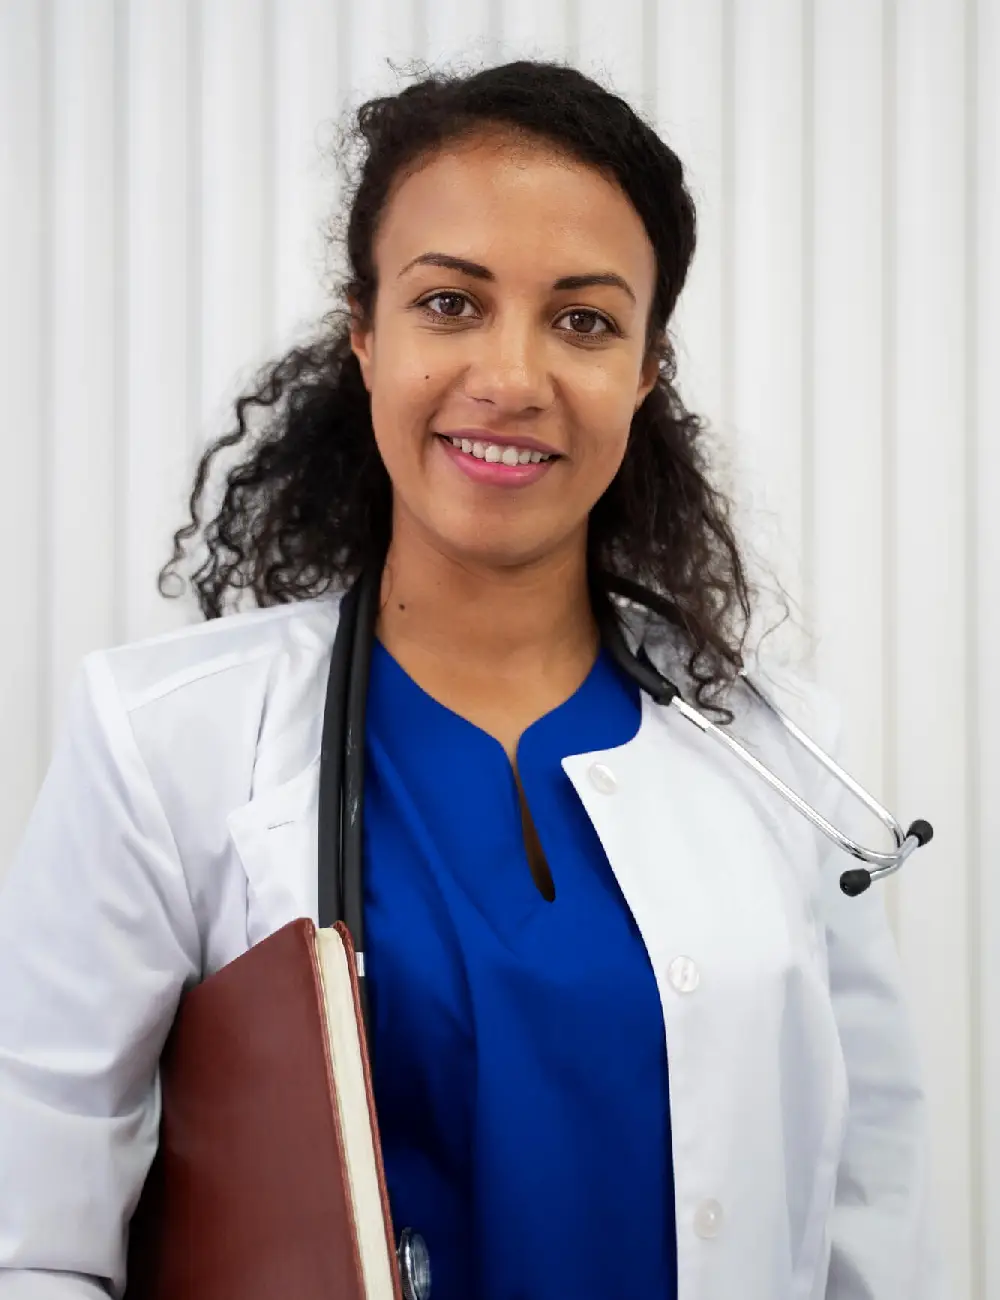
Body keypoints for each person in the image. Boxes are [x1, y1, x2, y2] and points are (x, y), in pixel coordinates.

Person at [0, 60, 941, 1300]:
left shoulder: (783, 758)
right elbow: (36, 1241)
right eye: (450, 303)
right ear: (364, 333)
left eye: (583, 321)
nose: (511, 377)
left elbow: (872, 1227)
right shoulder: (163, 744)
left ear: (645, 372)